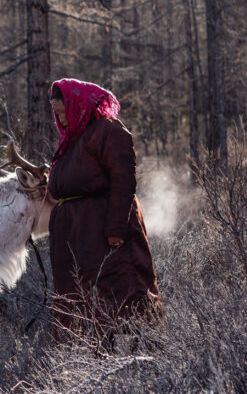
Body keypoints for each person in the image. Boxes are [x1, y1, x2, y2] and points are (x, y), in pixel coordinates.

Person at [47, 78, 161, 348]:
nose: (60, 120)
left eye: (63, 112)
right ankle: (86, 355)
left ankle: (136, 355)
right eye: (56, 113)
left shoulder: (108, 131)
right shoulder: (72, 141)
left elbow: (124, 181)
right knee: (82, 302)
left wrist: (115, 231)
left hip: (103, 235)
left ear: (77, 105)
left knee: (121, 292)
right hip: (77, 239)